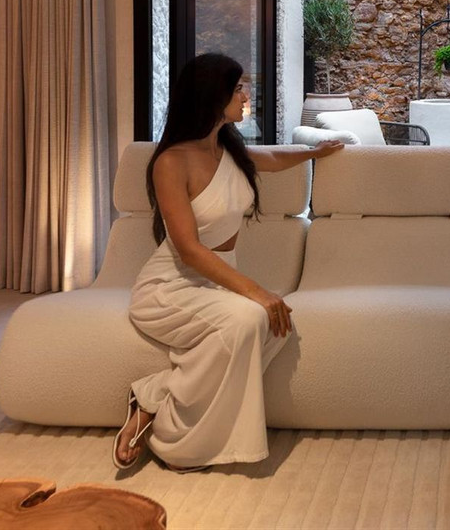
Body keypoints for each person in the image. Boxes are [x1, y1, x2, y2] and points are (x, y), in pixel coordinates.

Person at [113, 53, 342, 472]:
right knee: (251, 317)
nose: (245, 96)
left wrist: (315, 152)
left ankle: (154, 395)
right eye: (237, 89)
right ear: (211, 96)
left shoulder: (228, 150)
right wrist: (258, 292)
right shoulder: (171, 162)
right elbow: (188, 249)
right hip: (169, 288)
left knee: (276, 324)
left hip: (212, 285)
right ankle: (179, 445)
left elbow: (272, 159)